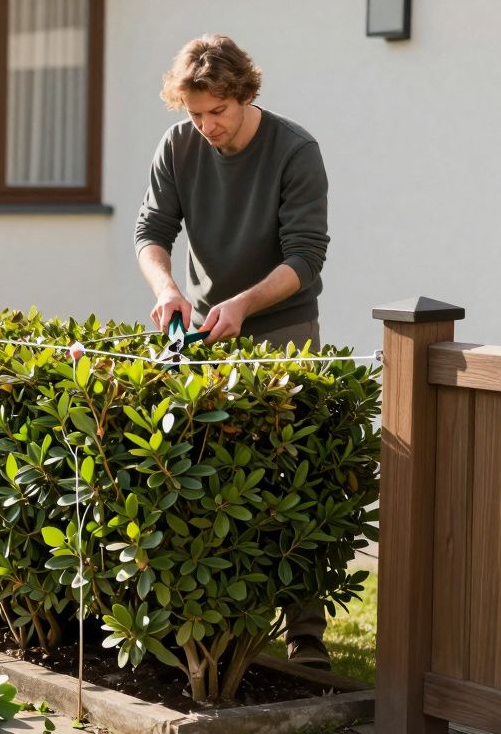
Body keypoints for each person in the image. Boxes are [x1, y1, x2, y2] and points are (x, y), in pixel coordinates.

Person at [133, 34, 331, 669]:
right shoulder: (179, 145)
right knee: (196, 479)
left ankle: (305, 633)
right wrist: (168, 290)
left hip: (282, 330)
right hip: (202, 333)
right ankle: (199, 625)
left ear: (245, 94)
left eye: (216, 111)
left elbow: (305, 256)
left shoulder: (295, 150)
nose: (205, 126)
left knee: (289, 480)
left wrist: (245, 304)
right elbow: (151, 232)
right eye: (194, 114)